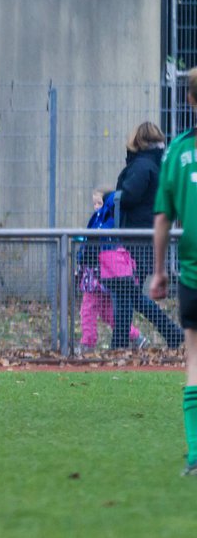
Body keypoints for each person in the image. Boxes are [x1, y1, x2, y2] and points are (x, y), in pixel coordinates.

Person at [150, 74, 197, 476]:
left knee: (194, 360)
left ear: (189, 99)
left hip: (191, 276)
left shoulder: (177, 151)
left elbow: (163, 218)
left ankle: (196, 455)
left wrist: (158, 272)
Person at [102, 121, 183, 351]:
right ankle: (121, 343)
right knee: (128, 292)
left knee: (127, 291)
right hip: (147, 237)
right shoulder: (159, 166)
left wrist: (111, 195)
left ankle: (168, 332)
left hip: (134, 239)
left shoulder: (141, 166)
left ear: (137, 141)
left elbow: (129, 197)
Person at [76, 186, 144, 352]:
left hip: (99, 274)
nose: (97, 207)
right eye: (94, 204)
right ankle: (135, 336)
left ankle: (88, 343)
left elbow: (98, 240)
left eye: (100, 203)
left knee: (88, 309)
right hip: (98, 272)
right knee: (108, 313)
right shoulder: (98, 219)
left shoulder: (110, 220)